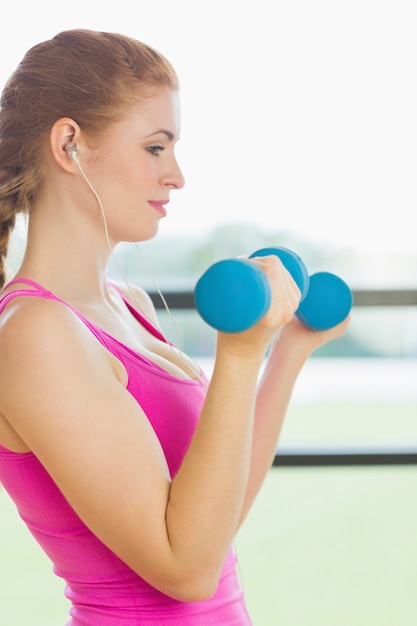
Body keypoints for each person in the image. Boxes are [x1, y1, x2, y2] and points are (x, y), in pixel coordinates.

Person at [0, 29, 349, 625]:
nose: (177, 176)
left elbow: (215, 518)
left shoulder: (127, 305)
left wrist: (285, 350)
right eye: (156, 148)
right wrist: (237, 356)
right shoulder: (35, 334)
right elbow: (185, 571)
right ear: (69, 145)